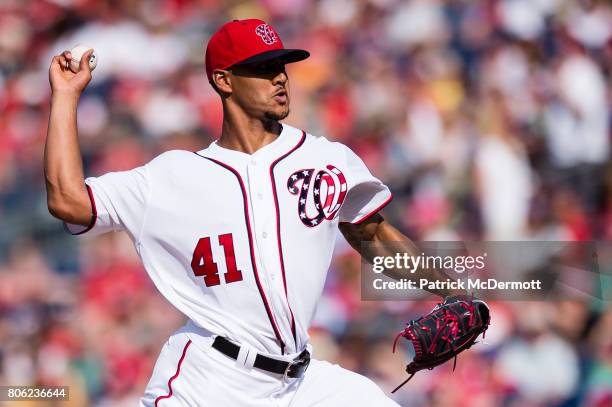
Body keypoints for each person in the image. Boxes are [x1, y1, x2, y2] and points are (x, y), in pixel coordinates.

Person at [45, 19, 459, 406]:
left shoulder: (324, 158)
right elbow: (68, 201)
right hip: (210, 379)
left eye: (281, 65)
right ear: (223, 80)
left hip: (302, 380)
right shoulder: (172, 177)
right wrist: (65, 97)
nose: (279, 77)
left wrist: (451, 291)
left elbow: (374, 235)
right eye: (262, 68)